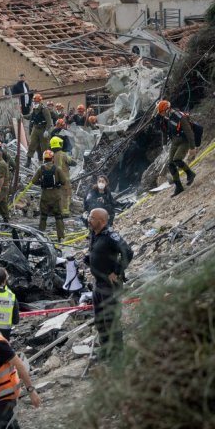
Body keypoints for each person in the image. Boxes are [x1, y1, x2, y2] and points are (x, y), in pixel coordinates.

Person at [85, 208, 133, 361]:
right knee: (100, 321)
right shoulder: (94, 233)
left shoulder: (111, 236)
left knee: (111, 321)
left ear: (102, 221)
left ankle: (117, 355)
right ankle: (105, 351)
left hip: (110, 287)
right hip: (98, 284)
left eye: (92, 218)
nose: (89, 220)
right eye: (90, 217)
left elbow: (128, 252)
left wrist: (117, 271)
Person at [156, 99, 197, 197]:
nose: (161, 115)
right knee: (170, 164)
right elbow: (164, 131)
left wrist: (192, 147)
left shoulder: (180, 117)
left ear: (166, 110)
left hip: (184, 141)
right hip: (175, 141)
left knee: (177, 160)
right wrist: (164, 144)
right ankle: (179, 187)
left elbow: (189, 133)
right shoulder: (167, 118)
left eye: (161, 112)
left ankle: (190, 173)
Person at [30, 150, 68, 241]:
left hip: (45, 195)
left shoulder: (41, 169)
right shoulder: (57, 168)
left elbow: (34, 181)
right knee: (58, 216)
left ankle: (40, 237)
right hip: (56, 195)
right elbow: (64, 181)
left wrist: (42, 183)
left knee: (43, 217)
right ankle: (60, 237)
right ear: (52, 158)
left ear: (44, 158)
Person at [50, 136, 76, 217]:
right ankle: (65, 212)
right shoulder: (63, 155)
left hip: (54, 179)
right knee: (66, 194)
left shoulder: (50, 155)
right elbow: (72, 162)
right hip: (64, 179)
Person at [25, 94, 52, 167]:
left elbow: (49, 121)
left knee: (45, 146)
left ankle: (46, 161)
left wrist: (47, 130)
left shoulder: (44, 109)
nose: (35, 103)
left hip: (43, 129)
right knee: (32, 144)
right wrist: (23, 116)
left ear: (40, 102)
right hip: (35, 128)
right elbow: (30, 116)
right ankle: (28, 160)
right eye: (34, 102)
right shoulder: (34, 109)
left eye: (36, 102)